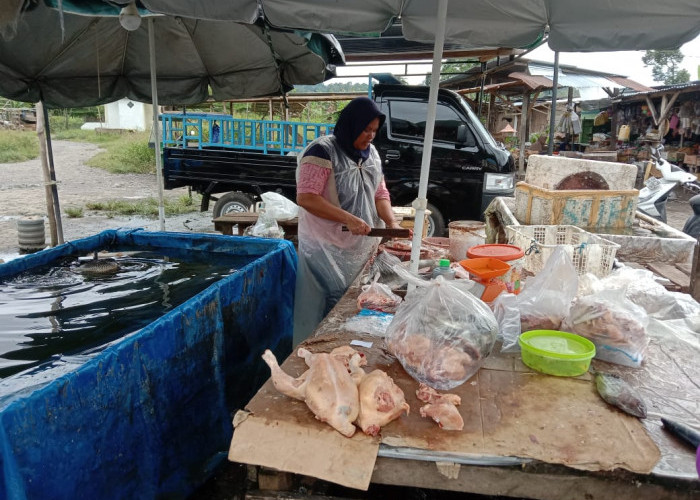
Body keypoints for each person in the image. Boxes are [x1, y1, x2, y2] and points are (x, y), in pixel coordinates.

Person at [293, 97, 404, 345]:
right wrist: (349, 218)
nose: (371, 136)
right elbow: (306, 197)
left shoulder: (371, 153)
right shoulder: (321, 151)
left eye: (375, 130)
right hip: (324, 246)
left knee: (353, 303)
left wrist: (392, 223)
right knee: (329, 306)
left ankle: (346, 349)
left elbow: (380, 193)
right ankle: (319, 351)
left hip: (360, 245)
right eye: (366, 129)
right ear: (351, 125)